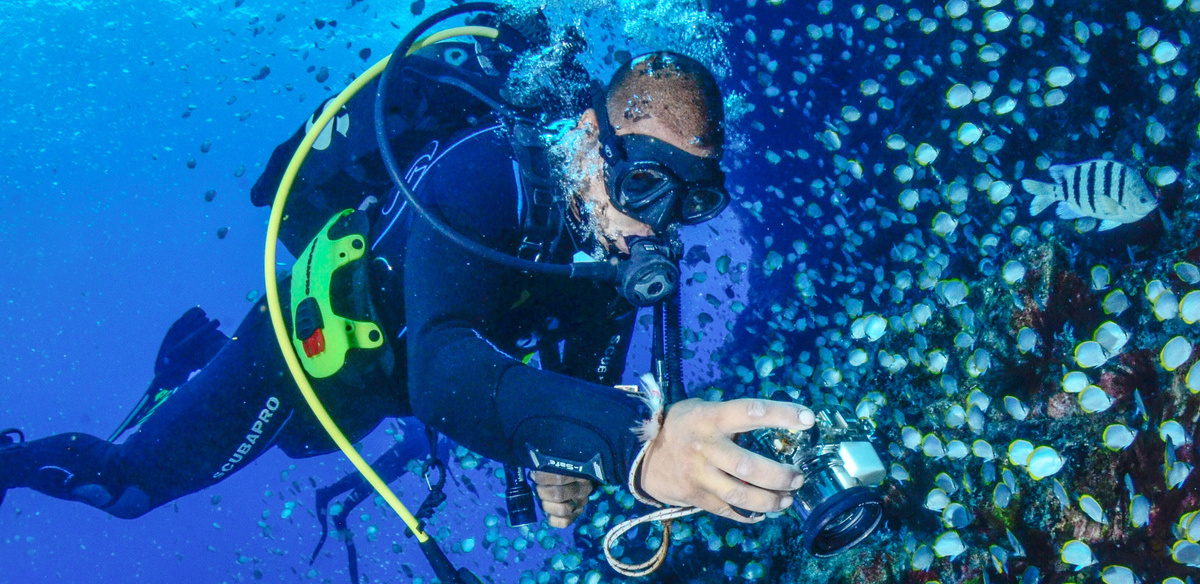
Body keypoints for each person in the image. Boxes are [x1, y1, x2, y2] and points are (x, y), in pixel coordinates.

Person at [0, 47, 812, 551]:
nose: (656, 227)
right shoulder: (485, 173)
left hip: (380, 394)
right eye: (643, 185)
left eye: (690, 204)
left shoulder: (617, 241)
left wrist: (575, 462)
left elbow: (581, 396)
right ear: (593, 144)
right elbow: (447, 375)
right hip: (302, 360)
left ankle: (194, 361)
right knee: (132, 488)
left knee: (314, 451)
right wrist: (635, 444)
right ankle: (19, 455)